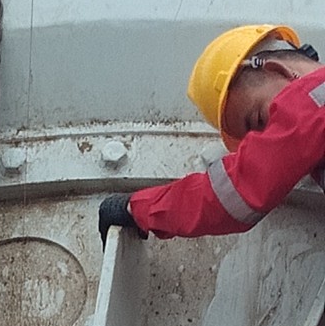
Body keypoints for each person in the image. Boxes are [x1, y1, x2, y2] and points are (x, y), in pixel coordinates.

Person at [98, 24, 325, 245]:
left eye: (259, 120)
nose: (269, 140)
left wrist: (137, 208)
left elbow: (235, 193)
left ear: (278, 71)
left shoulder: (311, 100)